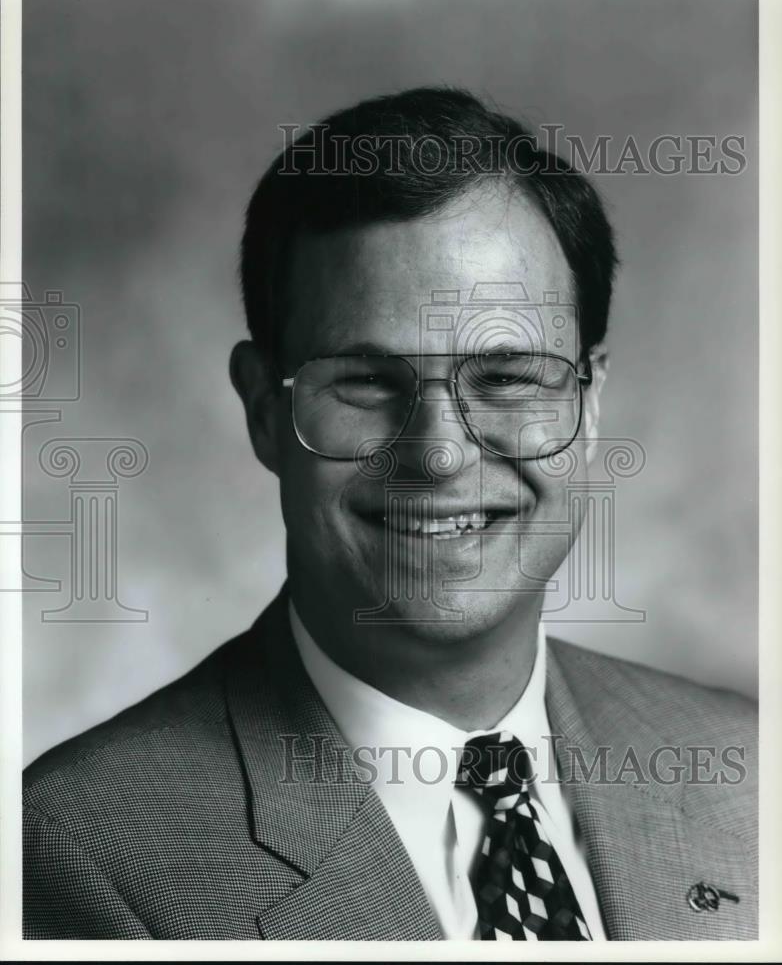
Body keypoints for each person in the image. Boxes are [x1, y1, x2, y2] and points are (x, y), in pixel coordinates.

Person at [23, 87, 757, 941]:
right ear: (265, 410)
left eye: (509, 377)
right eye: (368, 384)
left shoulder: (746, 767)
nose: (441, 453)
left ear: (588, 408)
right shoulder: (81, 853)